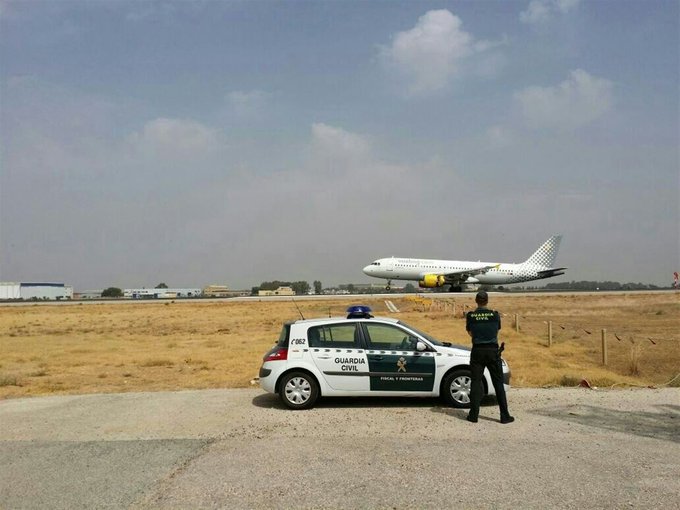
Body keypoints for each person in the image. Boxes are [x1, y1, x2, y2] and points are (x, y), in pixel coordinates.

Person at [465, 290, 514, 424]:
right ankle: (504, 416)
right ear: (487, 301)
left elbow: (470, 333)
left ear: (476, 301)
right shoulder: (494, 315)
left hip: (477, 351)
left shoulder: (471, 316)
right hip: (492, 351)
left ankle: (473, 415)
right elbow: (497, 330)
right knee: (498, 384)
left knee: (475, 383)